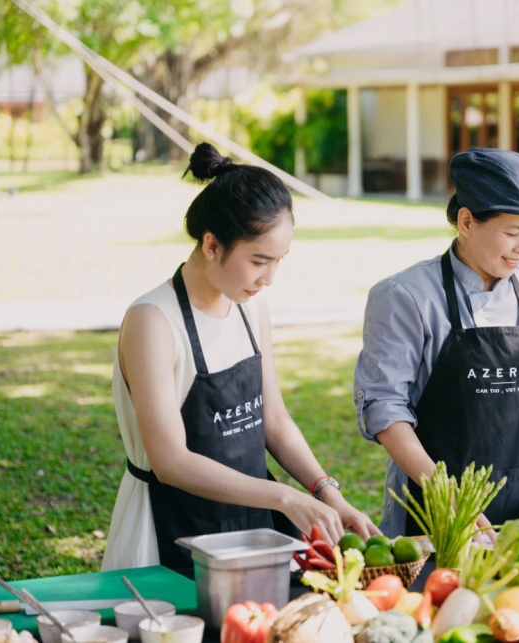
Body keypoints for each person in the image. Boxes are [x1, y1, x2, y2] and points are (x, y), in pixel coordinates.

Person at [103, 143, 379, 572]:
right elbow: (170, 461)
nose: (269, 278)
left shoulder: (251, 307)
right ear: (212, 246)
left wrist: (328, 492)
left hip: (253, 521)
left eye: (278, 261)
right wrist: (285, 497)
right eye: (259, 261)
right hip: (170, 526)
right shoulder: (153, 322)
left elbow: (274, 420)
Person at [353, 148, 519, 538]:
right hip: (432, 508)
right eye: (513, 233)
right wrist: (445, 493)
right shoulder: (405, 296)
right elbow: (383, 406)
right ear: (466, 221)